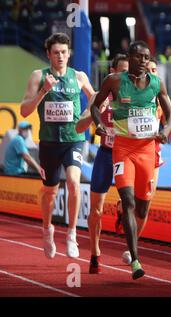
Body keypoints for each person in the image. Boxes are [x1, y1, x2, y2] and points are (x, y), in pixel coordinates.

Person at [91, 41, 171, 280]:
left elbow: (169, 116)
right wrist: (99, 124)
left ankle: (131, 244)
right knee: (127, 200)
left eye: (146, 57)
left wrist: (165, 131)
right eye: (138, 57)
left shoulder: (157, 83)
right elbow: (96, 106)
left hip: (147, 150)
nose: (143, 61)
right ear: (130, 58)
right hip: (123, 149)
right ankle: (136, 260)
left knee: (142, 206)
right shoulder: (115, 81)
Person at [20, 33, 96, 259]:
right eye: (56, 53)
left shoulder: (79, 76)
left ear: (69, 53)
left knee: (73, 182)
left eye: (64, 52)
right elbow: (24, 110)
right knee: (50, 191)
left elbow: (94, 97)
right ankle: (47, 230)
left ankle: (72, 234)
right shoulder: (38, 76)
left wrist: (86, 116)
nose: (60, 56)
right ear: (48, 54)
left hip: (74, 139)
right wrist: (43, 90)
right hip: (49, 143)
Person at [75, 53, 129, 274]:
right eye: (122, 71)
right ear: (112, 73)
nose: (126, 76)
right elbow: (79, 127)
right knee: (96, 211)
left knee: (132, 203)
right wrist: (98, 111)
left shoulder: (138, 96)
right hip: (106, 155)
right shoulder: (98, 95)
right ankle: (95, 252)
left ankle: (121, 208)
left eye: (129, 72)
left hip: (127, 156)